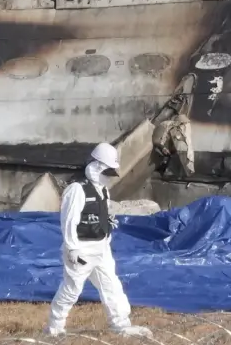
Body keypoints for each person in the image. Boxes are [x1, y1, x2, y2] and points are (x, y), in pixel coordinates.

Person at [45, 143, 148, 338]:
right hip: (81, 249)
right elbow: (68, 221)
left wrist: (106, 227)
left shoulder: (103, 190)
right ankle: (54, 329)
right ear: (96, 166)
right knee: (71, 290)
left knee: (111, 285)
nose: (108, 177)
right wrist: (72, 248)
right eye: (106, 171)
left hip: (101, 248)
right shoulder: (77, 189)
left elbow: (101, 213)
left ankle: (121, 325)